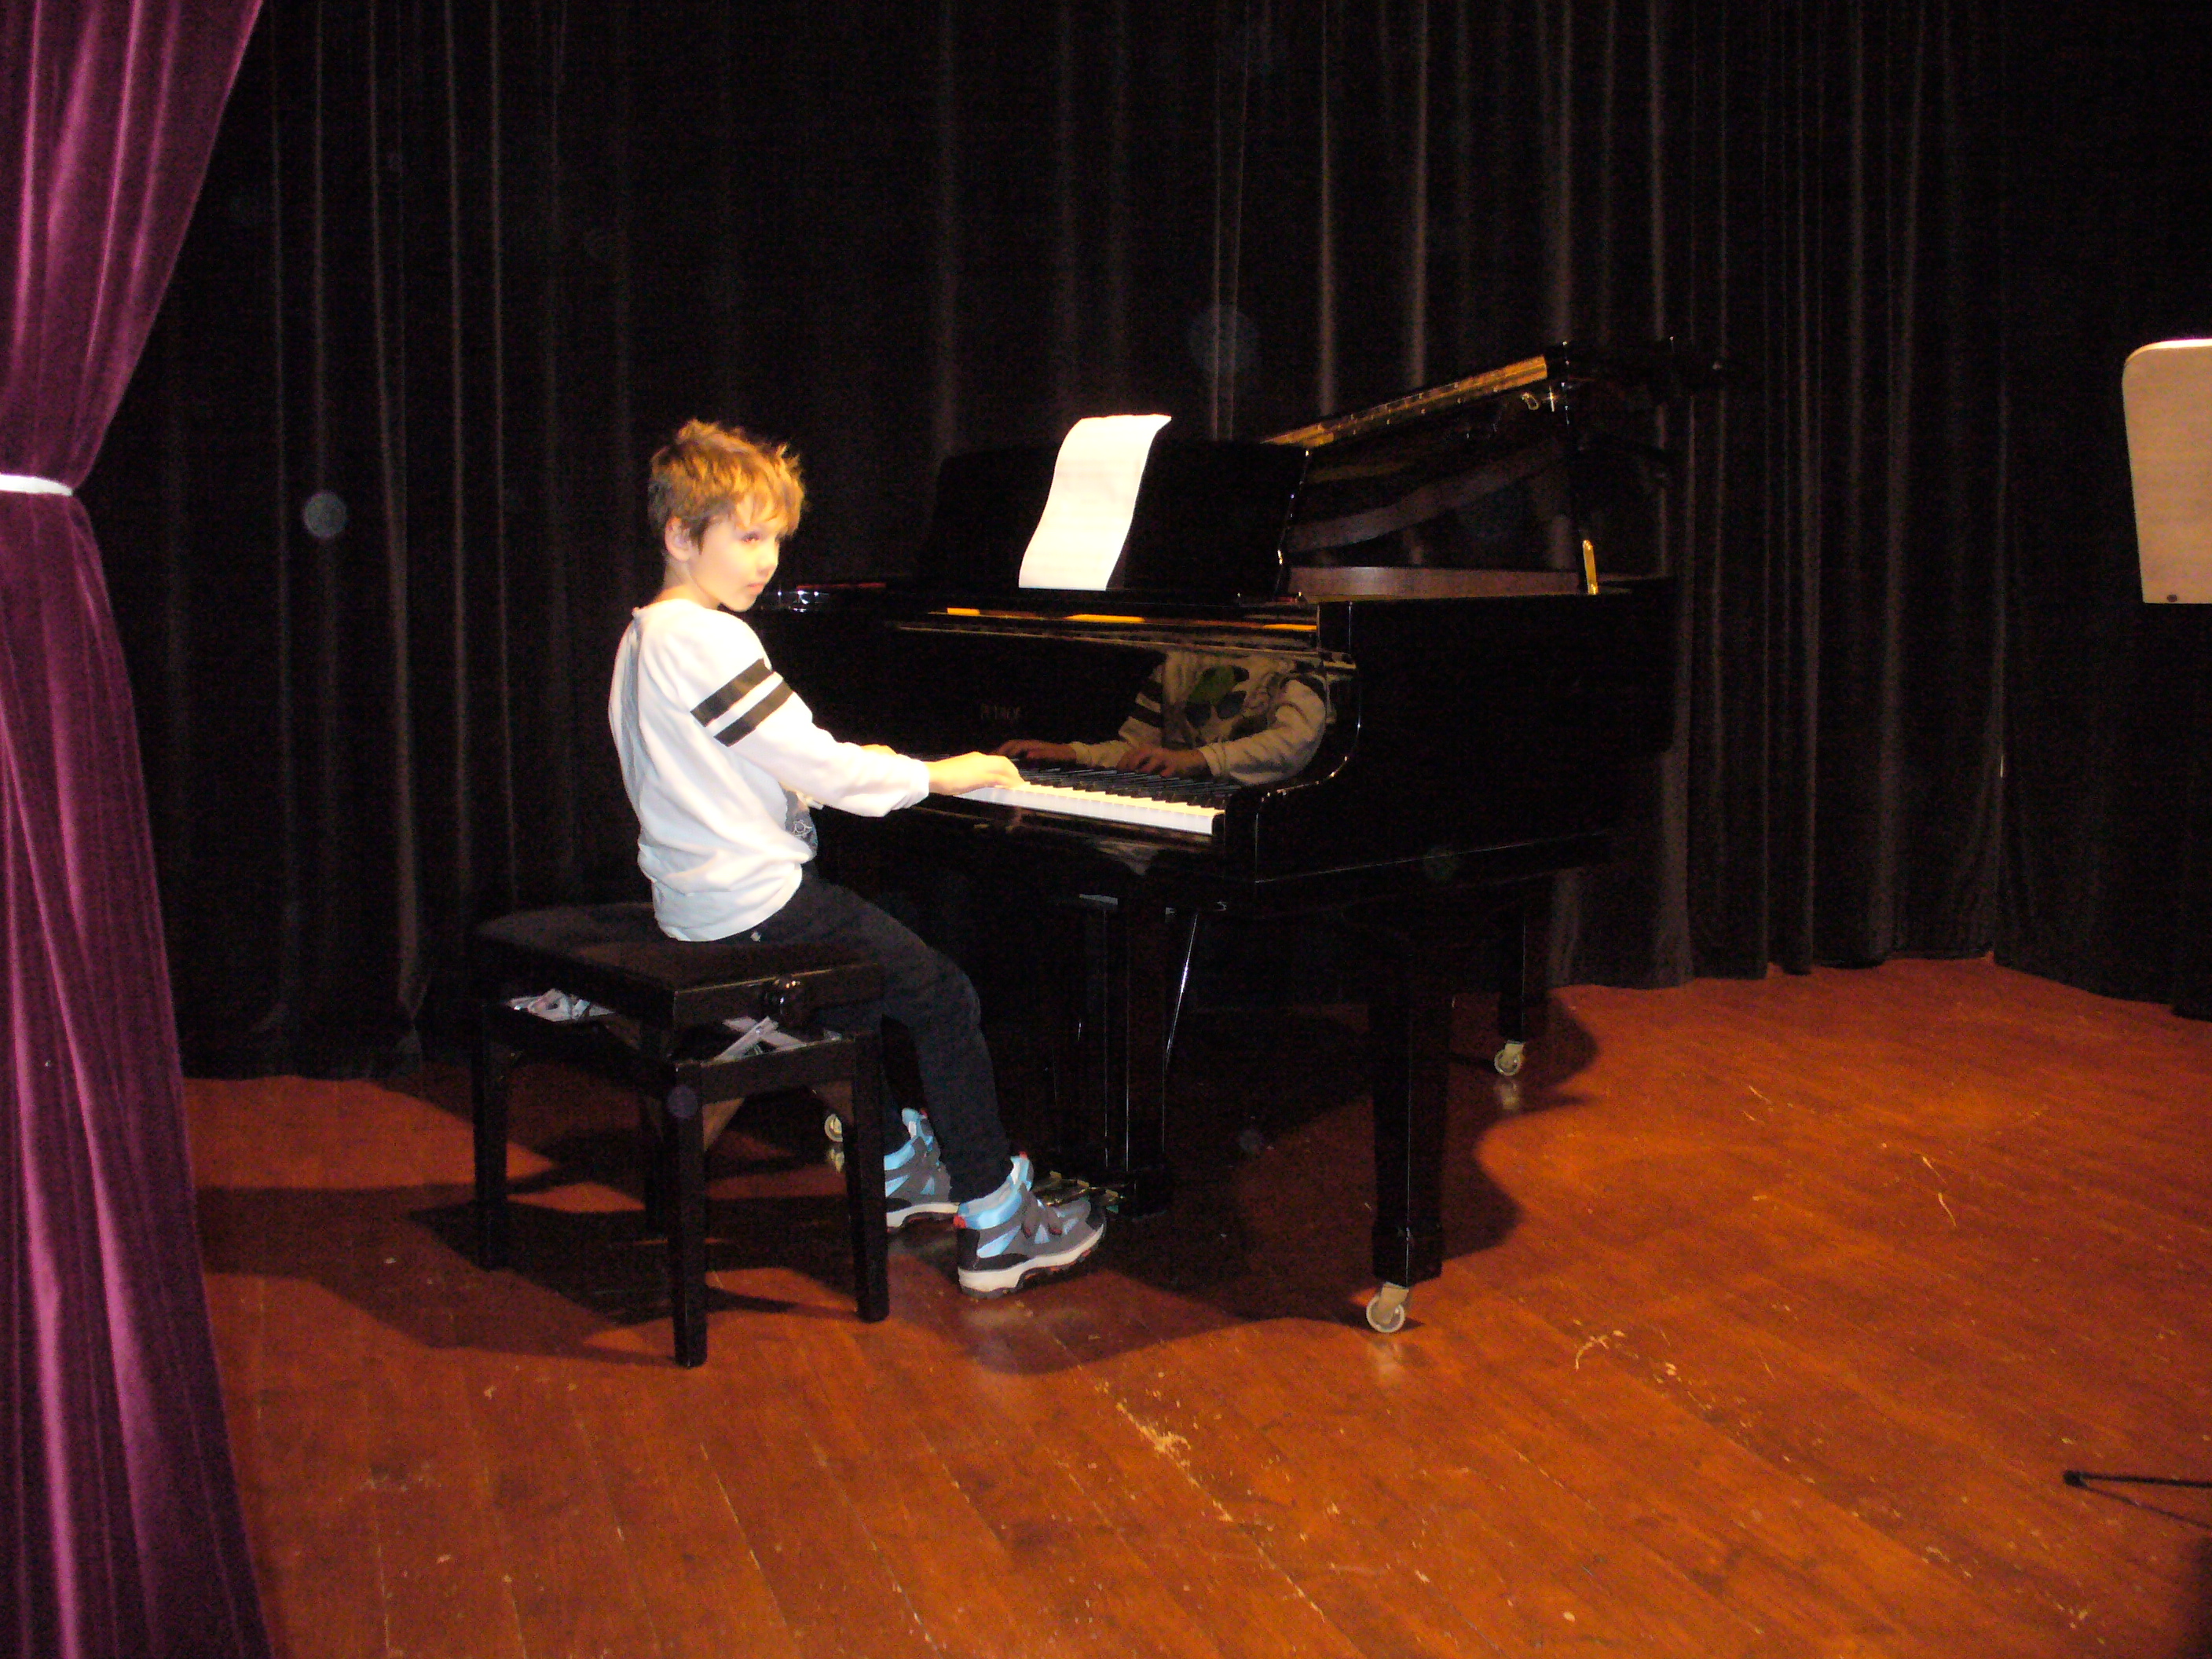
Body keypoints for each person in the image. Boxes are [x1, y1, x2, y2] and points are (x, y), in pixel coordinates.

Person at [608, 419, 1104, 1296]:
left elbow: (726, 771)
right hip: (757, 906)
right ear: (681, 535)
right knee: (944, 998)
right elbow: (819, 766)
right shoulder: (708, 638)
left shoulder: (645, 635)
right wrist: (939, 774)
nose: (767, 562)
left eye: (776, 540)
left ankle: (895, 1166)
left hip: (696, 905)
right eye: (747, 538)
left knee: (859, 986)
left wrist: (834, 777)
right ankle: (996, 1222)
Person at [998, 650, 1329, 784]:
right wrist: (1074, 753)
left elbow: (1293, 743)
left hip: (1256, 817)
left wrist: (1196, 759)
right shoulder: (1179, 658)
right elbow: (1138, 750)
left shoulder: (1294, 657)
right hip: (1175, 802)